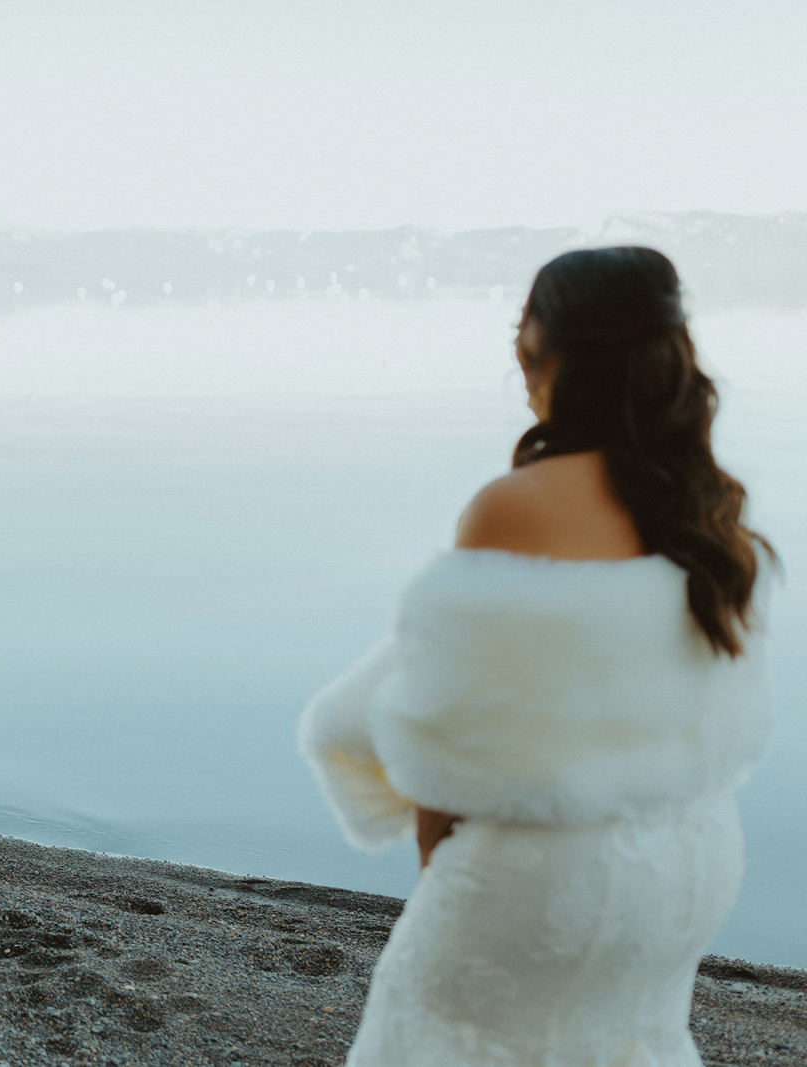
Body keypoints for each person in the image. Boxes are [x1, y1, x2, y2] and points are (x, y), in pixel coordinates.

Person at [298, 247, 774, 1065]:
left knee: (445, 1035)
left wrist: (443, 877)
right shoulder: (711, 508)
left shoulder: (514, 505)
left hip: (549, 883)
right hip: (690, 866)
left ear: (538, 345)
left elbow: (452, 747)